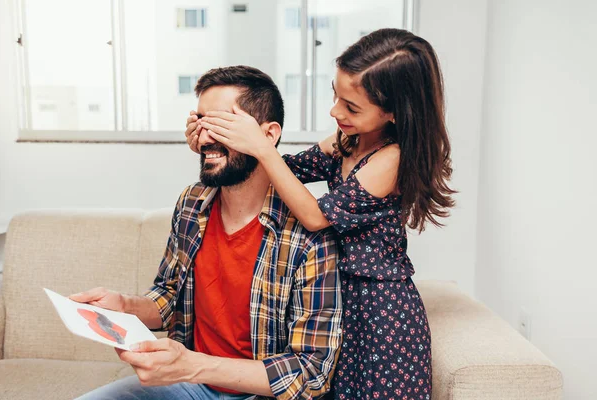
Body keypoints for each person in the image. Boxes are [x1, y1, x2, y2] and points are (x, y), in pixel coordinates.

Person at [186, 28, 456, 400]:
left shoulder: (390, 159)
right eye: (336, 95)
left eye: (351, 107)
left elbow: (315, 216)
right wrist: (217, 143)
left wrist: (261, 149)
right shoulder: (349, 140)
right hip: (337, 295)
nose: (335, 111)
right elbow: (288, 170)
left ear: (395, 112)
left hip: (379, 311)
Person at [73, 65, 343, 400]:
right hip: (191, 384)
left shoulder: (309, 234)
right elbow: (171, 296)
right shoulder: (192, 203)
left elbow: (312, 371)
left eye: (222, 124)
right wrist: (124, 306)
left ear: (268, 135)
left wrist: (192, 365)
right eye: (200, 122)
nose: (203, 138)